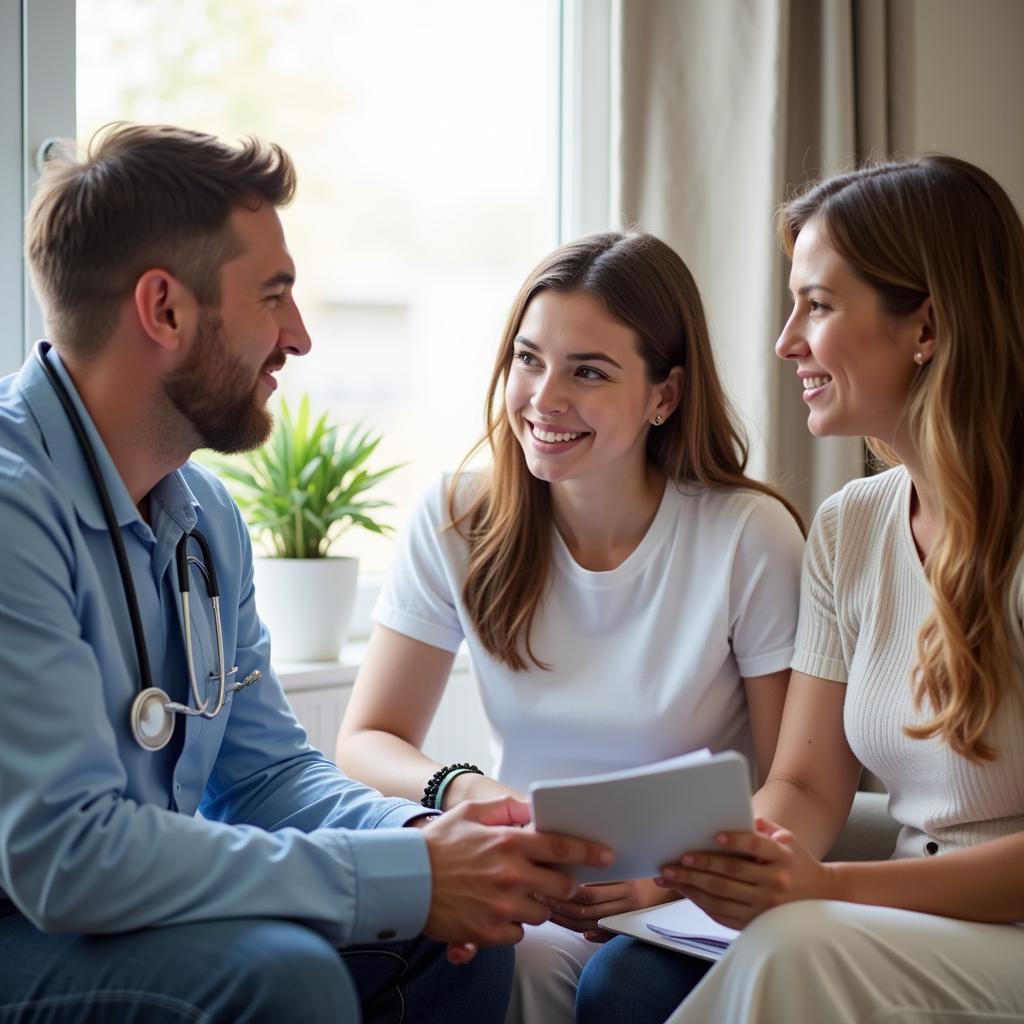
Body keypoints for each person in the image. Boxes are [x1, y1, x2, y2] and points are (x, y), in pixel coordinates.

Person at [0, 123, 616, 1024]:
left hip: (115, 912)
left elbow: (261, 777)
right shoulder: (15, 508)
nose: (299, 336)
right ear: (164, 310)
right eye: (274, 296)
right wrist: (405, 875)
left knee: (467, 937)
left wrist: (430, 842)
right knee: (279, 975)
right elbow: (68, 857)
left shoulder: (203, 517)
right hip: (24, 919)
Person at [576, 154, 1024, 1023]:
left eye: (817, 305)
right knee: (629, 978)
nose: (787, 341)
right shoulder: (852, 524)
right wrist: (689, 873)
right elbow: (810, 788)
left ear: (924, 326)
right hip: (901, 912)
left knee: (796, 943)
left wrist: (825, 887)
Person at [335, 230, 806, 1023]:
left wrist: (671, 878)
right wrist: (468, 791)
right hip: (531, 888)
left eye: (587, 371)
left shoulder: (747, 536)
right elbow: (367, 739)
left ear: (665, 395)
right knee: (447, 956)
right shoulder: (458, 518)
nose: (544, 397)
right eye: (528, 359)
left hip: (690, 900)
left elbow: (796, 784)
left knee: (598, 986)